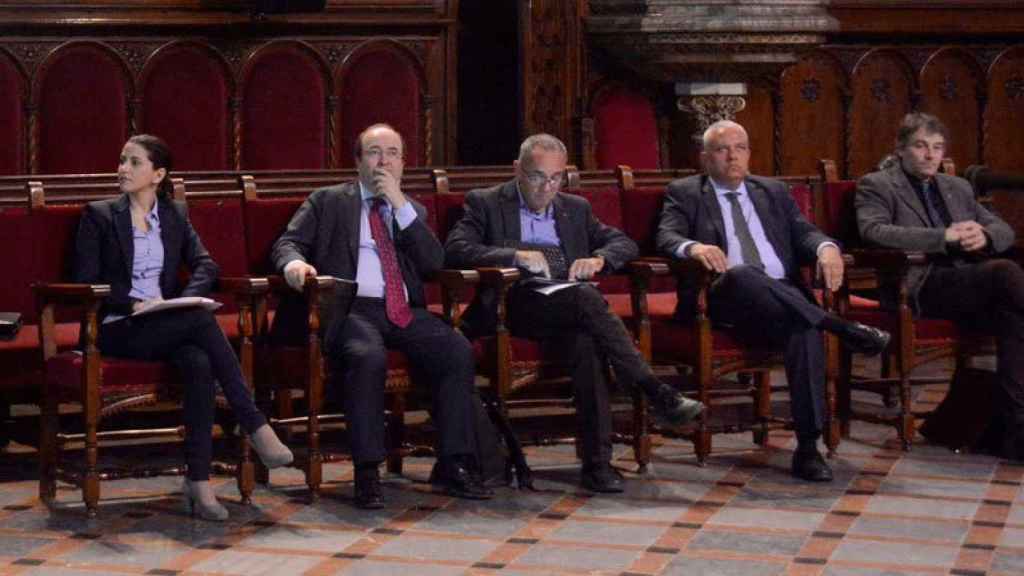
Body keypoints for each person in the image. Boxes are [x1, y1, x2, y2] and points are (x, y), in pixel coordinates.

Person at [444, 133, 704, 494]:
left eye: (555, 178)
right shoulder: (486, 202)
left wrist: (600, 259)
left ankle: (597, 465)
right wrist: (514, 256)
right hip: (512, 305)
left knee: (587, 343)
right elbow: (457, 248)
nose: (546, 187)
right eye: (537, 176)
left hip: (565, 306)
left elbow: (623, 243)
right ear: (517, 169)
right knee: (586, 301)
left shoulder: (575, 208)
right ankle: (652, 389)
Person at [657, 120, 891, 482]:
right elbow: (666, 236)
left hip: (781, 299)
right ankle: (841, 327)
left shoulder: (772, 191)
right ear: (705, 158)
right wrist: (695, 247)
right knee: (743, 273)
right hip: (724, 300)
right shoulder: (685, 192)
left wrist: (827, 248)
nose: (733, 156)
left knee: (804, 331)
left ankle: (809, 449)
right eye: (722, 149)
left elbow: (805, 233)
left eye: (741, 147)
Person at [74, 134, 293, 521]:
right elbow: (87, 280)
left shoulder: (174, 215)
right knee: (199, 321)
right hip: (115, 326)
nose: (122, 168)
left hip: (165, 322)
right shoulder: (100, 215)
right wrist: (135, 302)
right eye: (122, 160)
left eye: (134, 162)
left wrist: (181, 299)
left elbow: (207, 265)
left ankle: (199, 481)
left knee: (198, 362)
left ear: (157, 174)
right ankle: (254, 421)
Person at [271, 123, 490, 508]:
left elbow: (433, 264)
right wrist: (295, 265)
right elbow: (288, 243)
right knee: (367, 356)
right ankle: (368, 471)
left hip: (403, 310)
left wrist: (401, 208)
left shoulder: (412, 211)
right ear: (357, 162)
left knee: (455, 349)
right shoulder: (328, 201)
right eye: (374, 153)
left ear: (404, 164)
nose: (383, 161)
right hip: (351, 308)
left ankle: (454, 463)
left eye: (392, 153)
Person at [855, 112, 1023, 460]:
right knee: (1006, 273)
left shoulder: (957, 186)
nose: (930, 155)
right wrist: (942, 238)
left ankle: (1014, 430)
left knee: (1014, 318)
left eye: (937, 147)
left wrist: (985, 234)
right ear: (900, 149)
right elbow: (875, 231)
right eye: (920, 146)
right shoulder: (878, 184)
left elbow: (1005, 231)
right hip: (919, 283)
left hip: (970, 282)